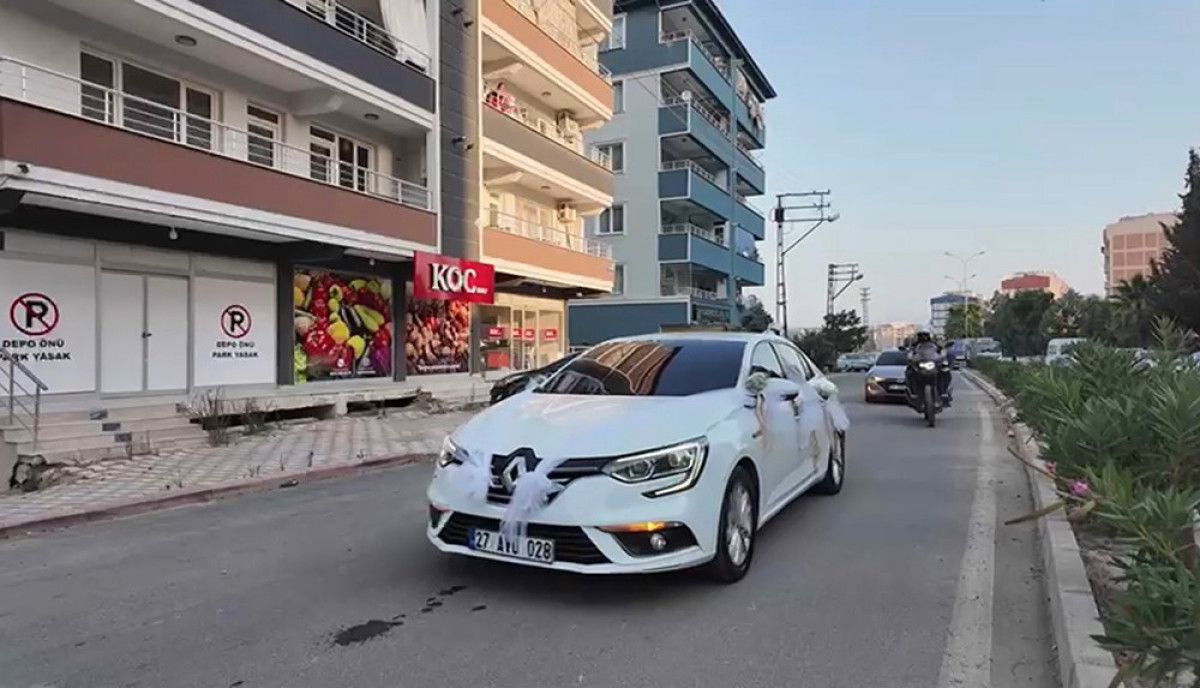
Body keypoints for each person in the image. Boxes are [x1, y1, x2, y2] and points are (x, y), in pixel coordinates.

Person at [906, 331, 953, 405]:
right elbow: (910, 353)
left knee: (945, 371)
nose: (923, 337)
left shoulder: (935, 345)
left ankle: (944, 391)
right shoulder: (915, 346)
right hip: (920, 364)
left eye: (925, 335)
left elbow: (942, 351)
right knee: (910, 371)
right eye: (921, 336)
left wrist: (942, 355)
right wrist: (911, 358)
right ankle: (913, 391)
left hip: (933, 363)